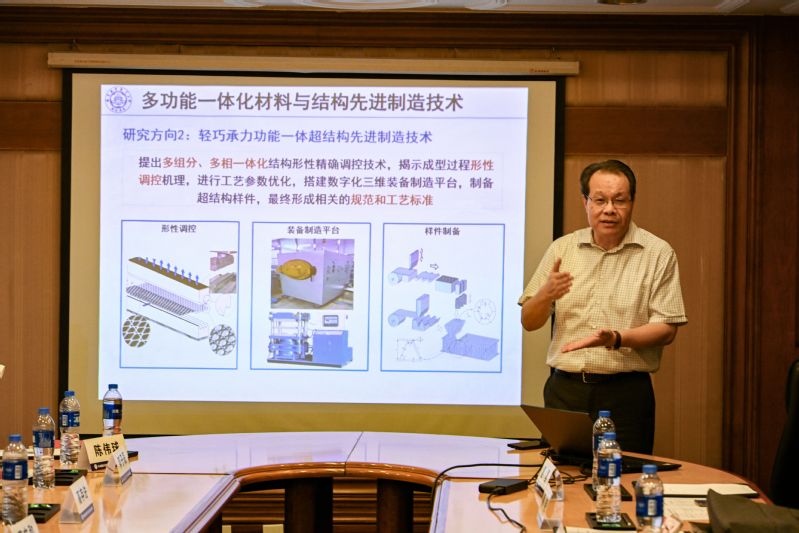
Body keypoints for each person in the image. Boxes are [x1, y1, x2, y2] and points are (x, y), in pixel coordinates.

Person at [518, 159, 687, 454]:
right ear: (585, 202)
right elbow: (529, 321)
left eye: (619, 200)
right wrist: (545, 294)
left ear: (632, 202)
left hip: (626, 393)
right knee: (563, 473)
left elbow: (667, 328)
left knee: (625, 474)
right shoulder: (563, 249)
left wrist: (617, 338)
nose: (609, 209)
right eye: (600, 200)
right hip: (566, 391)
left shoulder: (658, 253)